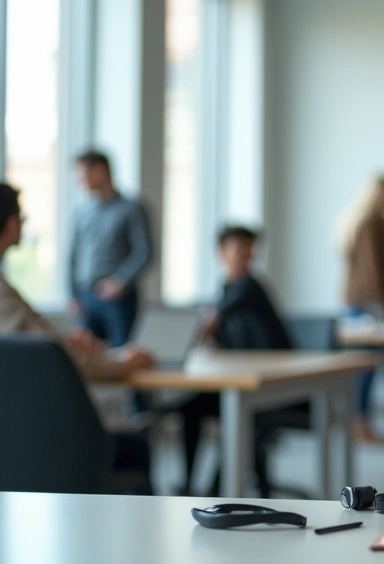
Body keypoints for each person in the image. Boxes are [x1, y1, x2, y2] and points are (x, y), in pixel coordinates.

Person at [0, 182, 155, 492]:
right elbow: (46, 359)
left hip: (15, 438)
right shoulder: (4, 297)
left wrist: (70, 341)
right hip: (35, 443)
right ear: (13, 224)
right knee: (135, 449)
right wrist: (124, 362)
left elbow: (41, 345)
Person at [178, 225, 297, 495]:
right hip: (242, 379)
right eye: (240, 250)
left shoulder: (249, 287)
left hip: (270, 385)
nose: (248, 257)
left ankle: (214, 492)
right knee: (191, 408)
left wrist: (189, 339)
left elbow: (210, 323)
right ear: (220, 252)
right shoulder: (226, 288)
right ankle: (188, 485)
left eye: (251, 251)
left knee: (236, 416)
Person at [68, 150, 153, 348]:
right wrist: (72, 294)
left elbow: (144, 251)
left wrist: (120, 282)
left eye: (82, 175)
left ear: (99, 171)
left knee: (122, 353)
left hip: (118, 298)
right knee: (85, 354)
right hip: (85, 296)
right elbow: (72, 255)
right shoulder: (81, 211)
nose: (79, 181)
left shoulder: (131, 209)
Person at [337, 175, 384, 444]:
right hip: (369, 302)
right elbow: (372, 267)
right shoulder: (371, 222)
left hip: (358, 300)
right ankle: (359, 424)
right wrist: (382, 303)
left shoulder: (357, 219)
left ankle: (359, 422)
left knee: (364, 364)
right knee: (367, 365)